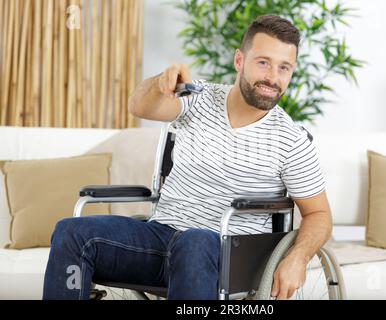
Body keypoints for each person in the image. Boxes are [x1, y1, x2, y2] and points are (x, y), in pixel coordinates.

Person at [43, 14, 332, 300]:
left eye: (284, 68)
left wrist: (298, 258)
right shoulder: (200, 96)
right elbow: (140, 107)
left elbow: (318, 214)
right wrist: (160, 83)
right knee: (71, 232)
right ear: (239, 61)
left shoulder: (291, 140)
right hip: (160, 238)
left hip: (227, 255)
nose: (272, 77)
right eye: (263, 62)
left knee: (196, 240)